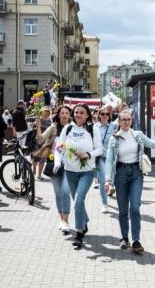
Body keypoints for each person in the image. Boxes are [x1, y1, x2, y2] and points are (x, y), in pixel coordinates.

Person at [104, 111, 155, 253]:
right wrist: (108, 179)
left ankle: (136, 240)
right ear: (118, 121)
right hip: (121, 173)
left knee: (135, 207)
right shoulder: (114, 139)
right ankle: (125, 237)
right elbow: (108, 160)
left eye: (128, 119)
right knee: (123, 208)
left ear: (131, 120)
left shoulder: (137, 135)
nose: (126, 122)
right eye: (123, 119)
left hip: (136, 173)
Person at [54, 103, 103, 249]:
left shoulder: (92, 129)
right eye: (76, 112)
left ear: (87, 115)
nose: (78, 115)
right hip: (70, 171)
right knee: (77, 201)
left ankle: (79, 234)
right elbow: (59, 147)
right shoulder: (67, 128)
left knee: (79, 200)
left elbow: (99, 149)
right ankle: (84, 221)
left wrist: (87, 155)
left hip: (87, 171)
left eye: (82, 112)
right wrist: (58, 162)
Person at [36, 105, 73, 234]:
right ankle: (62, 220)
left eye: (66, 113)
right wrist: (39, 127)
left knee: (65, 192)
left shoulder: (74, 128)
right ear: (58, 115)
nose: (64, 115)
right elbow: (40, 139)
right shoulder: (54, 127)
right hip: (54, 163)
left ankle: (66, 221)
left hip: (70, 165)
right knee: (58, 194)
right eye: (62, 113)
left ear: (69, 115)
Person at [95, 107, 118, 212]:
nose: (105, 116)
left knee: (111, 178)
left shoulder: (114, 126)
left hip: (111, 157)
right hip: (100, 156)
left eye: (107, 114)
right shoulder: (95, 127)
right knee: (103, 180)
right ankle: (105, 204)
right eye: (103, 114)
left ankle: (111, 186)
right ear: (99, 115)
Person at [32, 107, 53, 180]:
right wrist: (36, 124)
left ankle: (39, 175)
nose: (46, 112)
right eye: (45, 111)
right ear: (42, 111)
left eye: (48, 111)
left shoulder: (50, 122)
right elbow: (32, 124)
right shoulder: (38, 119)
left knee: (42, 159)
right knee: (35, 158)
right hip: (38, 141)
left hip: (45, 142)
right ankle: (34, 169)